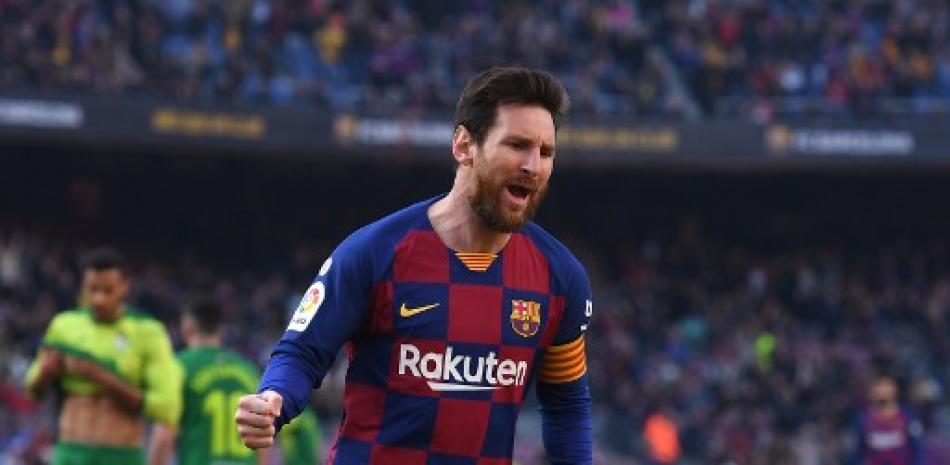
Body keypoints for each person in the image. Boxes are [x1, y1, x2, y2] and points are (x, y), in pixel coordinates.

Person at [234, 67, 593, 465]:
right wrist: (273, 400)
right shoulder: (374, 253)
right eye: (517, 145)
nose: (533, 165)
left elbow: (567, 408)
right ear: (464, 146)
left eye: (546, 152)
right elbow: (301, 354)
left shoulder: (560, 277)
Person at [23, 247, 182, 465]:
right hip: (70, 453)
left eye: (108, 290)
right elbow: (32, 390)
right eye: (92, 290)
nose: (99, 299)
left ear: (125, 287)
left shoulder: (148, 332)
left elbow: (166, 405)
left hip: (121, 455)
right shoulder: (64, 325)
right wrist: (45, 372)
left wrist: (101, 377)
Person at [148, 298, 265, 465]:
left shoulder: (179, 366)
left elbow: (165, 433)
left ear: (187, 327)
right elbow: (263, 434)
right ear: (221, 329)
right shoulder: (248, 370)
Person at [850, 375, 924, 465]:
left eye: (886, 386)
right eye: (878, 387)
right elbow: (856, 453)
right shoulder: (863, 420)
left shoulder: (908, 416)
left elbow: (918, 449)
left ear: (894, 390)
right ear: (872, 392)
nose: (882, 391)